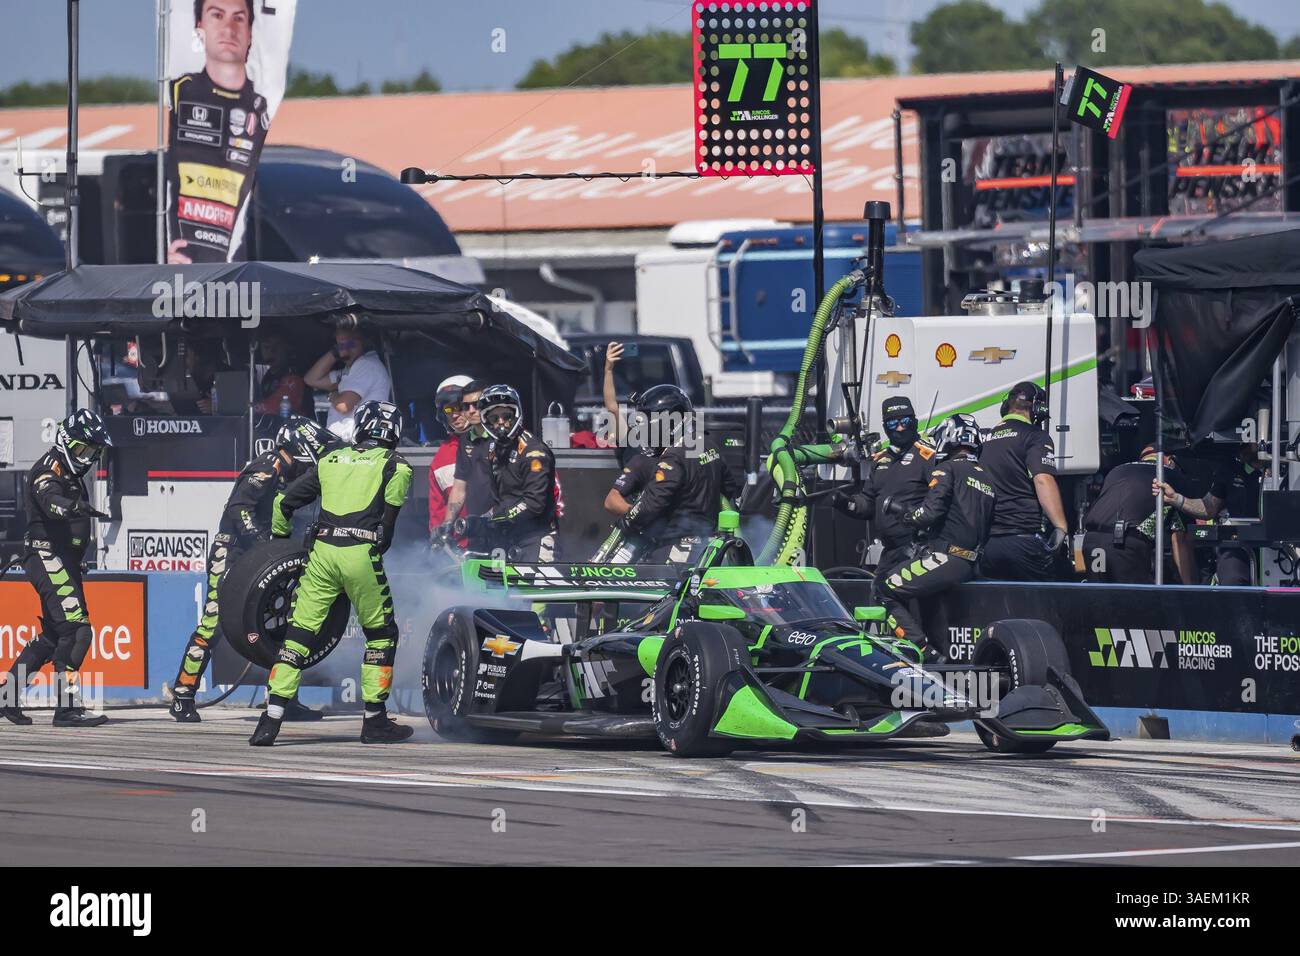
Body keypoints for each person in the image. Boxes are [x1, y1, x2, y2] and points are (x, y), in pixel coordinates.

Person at [250, 401, 413, 746]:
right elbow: (387, 531)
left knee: (297, 636)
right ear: (394, 432)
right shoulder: (398, 466)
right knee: (381, 635)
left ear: (361, 427)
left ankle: (270, 720)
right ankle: (375, 722)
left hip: (321, 554)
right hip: (360, 553)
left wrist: (280, 545)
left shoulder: (330, 459)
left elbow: (283, 504)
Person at [168, 417, 331, 722]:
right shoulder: (267, 466)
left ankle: (283, 700)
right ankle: (182, 695)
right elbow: (237, 508)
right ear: (298, 448)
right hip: (231, 552)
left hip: (263, 556)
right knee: (213, 624)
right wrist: (260, 541)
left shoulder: (290, 476)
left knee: (281, 626)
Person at [0, 410, 113, 727]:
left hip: (63, 561)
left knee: (53, 635)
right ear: (66, 442)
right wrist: (72, 506)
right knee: (77, 630)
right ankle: (67, 708)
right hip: (45, 556)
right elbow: (51, 502)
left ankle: (5, 698)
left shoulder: (70, 470)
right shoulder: (47, 471)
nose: (87, 457)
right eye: (82, 450)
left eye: (92, 452)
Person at [877, 414, 995, 663]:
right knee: (926, 604)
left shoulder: (946, 468)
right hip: (972, 564)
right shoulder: (987, 477)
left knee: (884, 589)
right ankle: (937, 656)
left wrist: (903, 513)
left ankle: (921, 651)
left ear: (948, 438)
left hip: (947, 558)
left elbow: (926, 514)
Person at [165, 0, 268, 264]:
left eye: (238, 18)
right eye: (217, 15)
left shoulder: (263, 110)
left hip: (244, 280)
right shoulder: (177, 92)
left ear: (251, 33)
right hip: (178, 279)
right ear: (200, 26)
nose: (228, 28)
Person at [614, 385, 741, 564]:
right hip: (708, 545)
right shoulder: (708, 444)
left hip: (676, 548)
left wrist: (628, 521)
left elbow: (652, 504)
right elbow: (729, 488)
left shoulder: (674, 456)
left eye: (650, 422)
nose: (644, 430)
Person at [832, 396, 937, 593]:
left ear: (913, 421)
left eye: (904, 421)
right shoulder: (880, 460)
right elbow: (868, 502)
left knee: (907, 601)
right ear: (885, 426)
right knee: (879, 596)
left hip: (918, 548)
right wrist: (846, 503)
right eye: (893, 423)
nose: (899, 428)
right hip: (890, 551)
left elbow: (940, 500)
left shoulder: (929, 456)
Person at [977, 382, 1070, 580]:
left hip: (989, 544)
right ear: (1038, 409)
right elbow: (1043, 480)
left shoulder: (985, 438)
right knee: (1049, 604)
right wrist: (1061, 527)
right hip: (1022, 538)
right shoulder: (1035, 436)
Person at [456, 385, 558, 563]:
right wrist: (478, 522)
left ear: (516, 415)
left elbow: (534, 503)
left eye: (507, 416)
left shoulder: (534, 452)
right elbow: (499, 500)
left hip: (535, 538)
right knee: (493, 588)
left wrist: (498, 518)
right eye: (494, 418)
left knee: (533, 589)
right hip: (505, 539)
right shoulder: (491, 450)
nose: (501, 422)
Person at [1081, 446, 1197, 584]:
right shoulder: (1170, 476)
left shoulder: (1118, 470)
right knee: (1133, 602)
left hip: (1092, 541)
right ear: (1170, 460)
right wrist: (1189, 587)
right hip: (1124, 544)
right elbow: (1180, 540)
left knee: (1100, 599)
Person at [1156, 444, 1264, 586]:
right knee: (1233, 580)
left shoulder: (1288, 466)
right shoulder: (1230, 469)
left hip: (1280, 545)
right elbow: (1209, 508)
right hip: (1238, 544)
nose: (1242, 446)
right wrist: (1176, 499)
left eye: (1247, 443)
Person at [304, 322, 392, 444]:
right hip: (348, 444)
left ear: (363, 341)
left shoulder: (367, 365)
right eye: (341, 345)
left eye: (351, 344)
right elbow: (311, 379)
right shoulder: (348, 371)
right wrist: (334, 352)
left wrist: (334, 393)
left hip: (358, 445)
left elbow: (343, 406)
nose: (346, 350)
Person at [427, 374, 475, 546]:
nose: (454, 415)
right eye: (448, 410)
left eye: (460, 407)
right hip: (460, 553)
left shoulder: (498, 444)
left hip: (502, 544)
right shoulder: (441, 457)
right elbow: (437, 512)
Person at [253, 330, 308, 417]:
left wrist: (249, 407)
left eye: (277, 347)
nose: (271, 352)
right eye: (266, 347)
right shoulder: (269, 375)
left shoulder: (293, 377)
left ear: (286, 349)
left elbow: (277, 406)